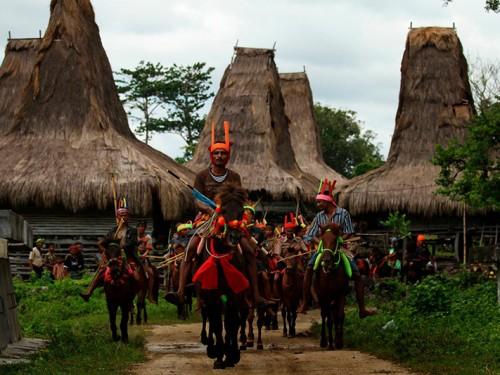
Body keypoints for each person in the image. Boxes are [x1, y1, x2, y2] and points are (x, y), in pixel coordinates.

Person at [172, 121, 273, 308]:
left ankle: (256, 295)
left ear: (227, 156)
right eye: (216, 153)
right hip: (207, 218)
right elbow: (197, 200)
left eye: (223, 153)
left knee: (250, 251)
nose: (219, 156)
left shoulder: (234, 176)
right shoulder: (202, 176)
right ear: (212, 155)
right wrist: (210, 210)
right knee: (192, 248)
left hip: (231, 219)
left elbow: (239, 199)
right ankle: (180, 292)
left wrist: (231, 213)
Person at [298, 178, 376, 318]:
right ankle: (305, 302)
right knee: (309, 268)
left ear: (328, 201)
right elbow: (309, 236)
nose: (318, 204)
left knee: (357, 273)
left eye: (320, 202)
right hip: (323, 249)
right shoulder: (318, 217)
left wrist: (340, 240)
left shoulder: (343, 213)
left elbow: (349, 231)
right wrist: (321, 241)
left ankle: (362, 309)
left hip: (340, 248)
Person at [80, 198, 141, 301]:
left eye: (125, 215)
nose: (123, 217)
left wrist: (122, 245)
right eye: (121, 215)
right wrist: (105, 251)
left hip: (128, 257)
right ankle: (89, 292)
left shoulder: (132, 230)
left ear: (128, 217)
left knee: (136, 276)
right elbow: (103, 242)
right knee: (101, 271)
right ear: (117, 217)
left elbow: (133, 243)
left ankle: (136, 292)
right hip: (114, 258)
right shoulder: (113, 231)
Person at [137, 221, 157, 303]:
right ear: (137, 228)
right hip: (134, 257)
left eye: (143, 227)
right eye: (140, 227)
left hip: (144, 258)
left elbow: (148, 249)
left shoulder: (148, 237)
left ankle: (149, 294)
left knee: (151, 273)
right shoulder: (133, 236)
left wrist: (144, 255)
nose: (141, 228)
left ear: (145, 229)